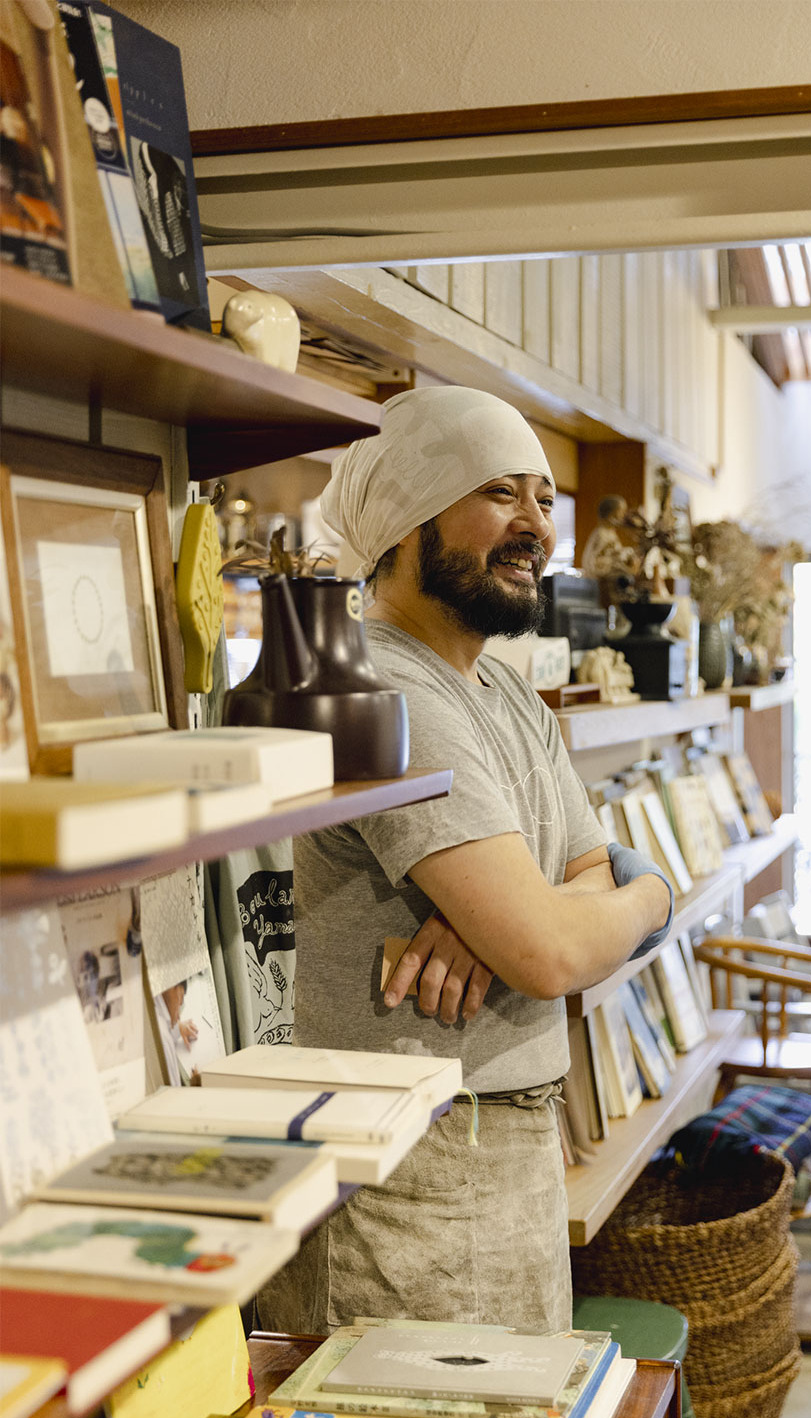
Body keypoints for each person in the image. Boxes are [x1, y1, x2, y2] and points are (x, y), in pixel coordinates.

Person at [255, 385, 672, 1338]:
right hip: (412, 1176)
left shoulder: (506, 693)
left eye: (545, 499)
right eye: (499, 492)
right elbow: (554, 953)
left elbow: (585, 880)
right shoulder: (381, 689)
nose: (536, 526)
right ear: (407, 523)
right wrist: (643, 895)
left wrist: (579, 898)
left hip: (504, 1142)